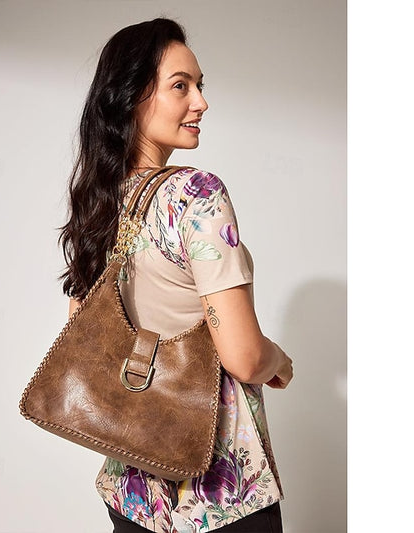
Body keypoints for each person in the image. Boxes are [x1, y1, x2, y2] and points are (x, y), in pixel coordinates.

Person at [58, 17, 293, 533]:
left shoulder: (97, 202)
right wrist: (279, 359)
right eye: (180, 86)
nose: (201, 102)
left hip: (131, 487)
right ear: (130, 97)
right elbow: (244, 357)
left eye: (200, 85)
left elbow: (82, 334)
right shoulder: (196, 194)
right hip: (217, 493)